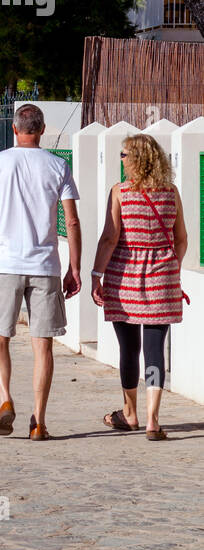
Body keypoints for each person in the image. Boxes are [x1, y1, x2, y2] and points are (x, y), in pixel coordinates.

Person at [0, 104, 81, 442]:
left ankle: (5, 400)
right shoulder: (58, 165)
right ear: (42, 130)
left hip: (5, 265)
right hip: (45, 266)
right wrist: (74, 266)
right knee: (42, 345)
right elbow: (72, 221)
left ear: (15, 130)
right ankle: (39, 422)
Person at [91, 134, 187, 441]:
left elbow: (110, 238)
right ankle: (152, 419)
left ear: (135, 160)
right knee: (155, 349)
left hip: (124, 280)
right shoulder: (171, 193)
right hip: (162, 280)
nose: (120, 159)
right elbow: (182, 237)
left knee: (129, 348)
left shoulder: (120, 193)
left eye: (123, 155)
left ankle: (129, 412)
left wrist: (96, 274)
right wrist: (172, 266)